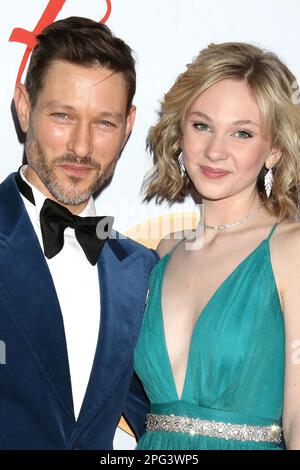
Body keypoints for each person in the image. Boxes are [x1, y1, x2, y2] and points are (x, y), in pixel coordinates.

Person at [0, 16, 158, 450]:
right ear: (24, 106)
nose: (82, 147)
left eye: (104, 123)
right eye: (63, 115)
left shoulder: (142, 271)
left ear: (128, 125)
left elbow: (163, 420)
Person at [134, 42, 300, 450]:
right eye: (202, 125)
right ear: (179, 130)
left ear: (274, 150)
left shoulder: (290, 250)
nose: (214, 151)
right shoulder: (164, 253)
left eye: (241, 133)